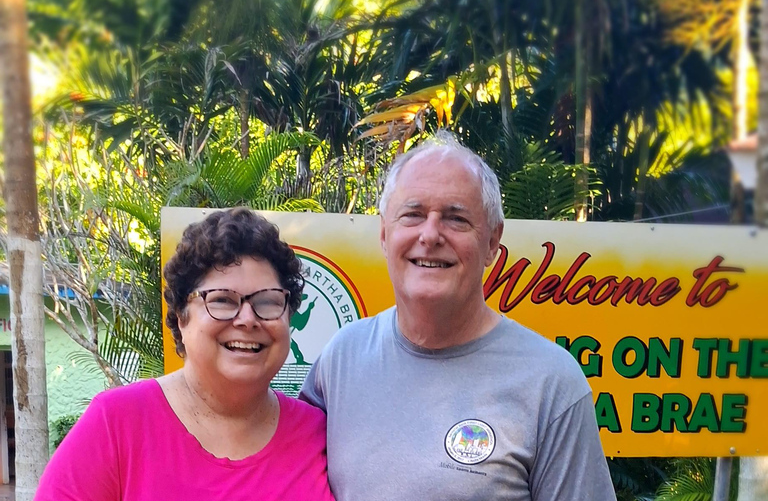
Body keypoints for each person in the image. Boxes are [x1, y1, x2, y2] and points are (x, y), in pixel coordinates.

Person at [300, 132, 616, 501]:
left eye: (456, 219)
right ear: (385, 234)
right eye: (413, 215)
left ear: (492, 242)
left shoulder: (551, 384)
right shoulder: (341, 359)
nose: (430, 235)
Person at [37, 208, 335, 501]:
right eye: (221, 300)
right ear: (181, 316)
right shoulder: (116, 425)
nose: (247, 318)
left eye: (268, 301)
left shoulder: (316, 433)